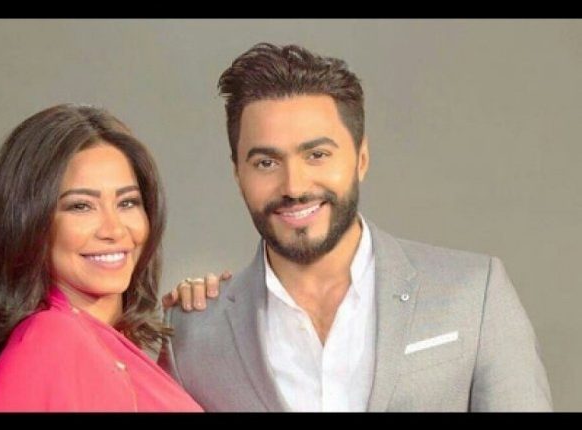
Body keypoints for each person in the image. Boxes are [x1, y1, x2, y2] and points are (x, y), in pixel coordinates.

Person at [160, 43, 553, 412]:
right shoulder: (191, 334)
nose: (294, 186)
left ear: (361, 159)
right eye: (266, 163)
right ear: (238, 174)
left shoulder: (475, 295)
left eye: (317, 155)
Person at [0, 104, 202, 412]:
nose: (114, 230)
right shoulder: (52, 341)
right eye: (81, 206)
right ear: (30, 223)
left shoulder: (107, 349)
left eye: (127, 202)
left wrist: (210, 321)